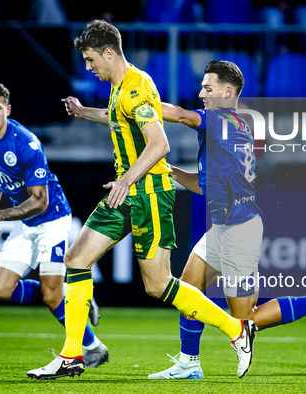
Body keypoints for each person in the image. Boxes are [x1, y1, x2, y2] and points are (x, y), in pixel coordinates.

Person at [27, 20, 257, 380]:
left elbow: (160, 143)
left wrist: (126, 179)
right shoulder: (125, 86)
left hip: (147, 194)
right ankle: (72, 355)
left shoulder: (134, 87)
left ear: (108, 53)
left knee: (158, 284)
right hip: (127, 193)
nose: (89, 68)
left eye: (90, 60)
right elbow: (122, 120)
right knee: (76, 258)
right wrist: (84, 111)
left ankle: (236, 329)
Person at [148, 60, 306, 380]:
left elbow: (180, 115)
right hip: (223, 227)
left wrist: (140, 102)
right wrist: (174, 173)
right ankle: (188, 363)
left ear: (227, 91)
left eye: (207, 88)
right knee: (190, 289)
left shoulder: (220, 120)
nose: (201, 93)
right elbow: (206, 186)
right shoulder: (230, 125)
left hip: (240, 231)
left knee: (245, 318)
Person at [0, 83, 108, 368]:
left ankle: (93, 346)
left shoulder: (26, 143)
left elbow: (41, 201)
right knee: (0, 291)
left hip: (52, 219)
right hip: (24, 221)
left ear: (8, 110)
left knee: (50, 294)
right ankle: (70, 295)